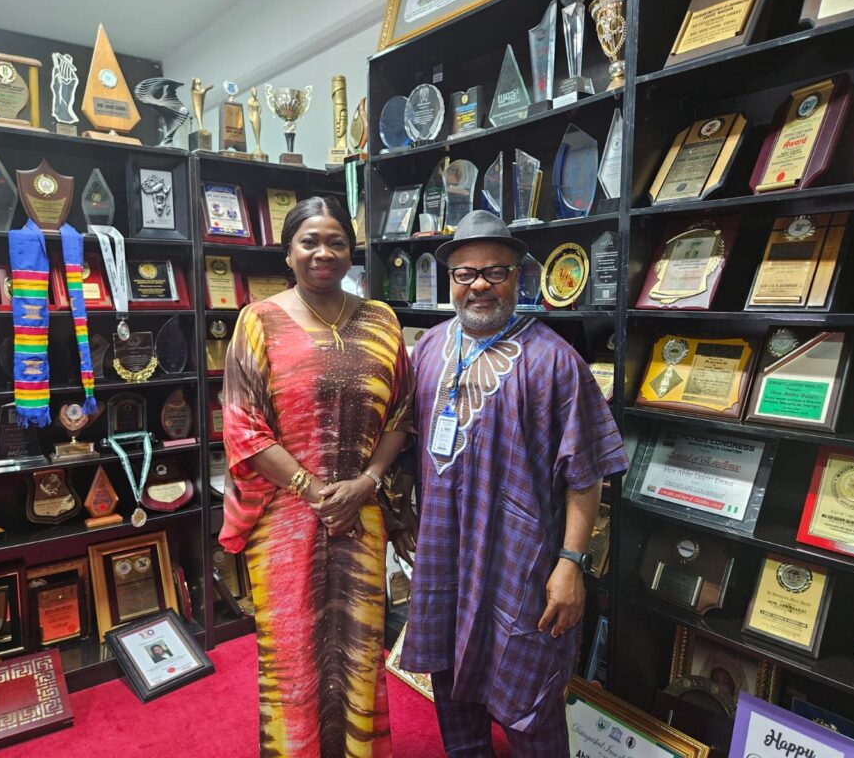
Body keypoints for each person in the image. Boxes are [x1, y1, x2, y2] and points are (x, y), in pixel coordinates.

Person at [400, 210, 629, 756]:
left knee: (530, 700)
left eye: (495, 272)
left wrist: (570, 565)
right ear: (451, 279)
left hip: (520, 566)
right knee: (449, 679)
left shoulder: (554, 360)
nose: (479, 284)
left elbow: (587, 473)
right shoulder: (429, 348)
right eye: (465, 273)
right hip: (444, 556)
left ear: (517, 276)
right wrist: (400, 510)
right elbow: (404, 438)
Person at [219, 196, 415, 757]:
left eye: (336, 242)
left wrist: (367, 482)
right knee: (293, 655)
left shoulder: (382, 320)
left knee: (358, 650)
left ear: (351, 252)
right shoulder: (257, 321)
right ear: (289, 253)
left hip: (362, 512)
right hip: (285, 516)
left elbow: (402, 414)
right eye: (309, 241)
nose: (323, 253)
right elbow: (243, 426)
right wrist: (313, 490)